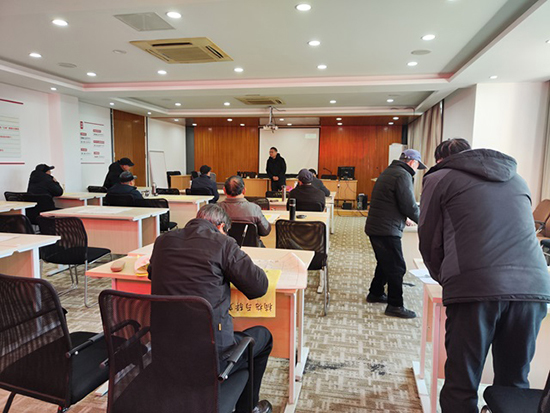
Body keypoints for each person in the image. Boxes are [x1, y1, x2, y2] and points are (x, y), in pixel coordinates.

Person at [418, 138, 550, 412]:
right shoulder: (518, 179)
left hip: (475, 287)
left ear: (441, 159)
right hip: (533, 287)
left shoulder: (439, 178)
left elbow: (429, 240)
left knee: (461, 382)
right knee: (514, 386)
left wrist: (448, 280)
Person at [148, 204, 273, 413]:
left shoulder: (162, 241)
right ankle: (248, 408)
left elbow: (152, 273)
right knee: (264, 336)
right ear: (221, 226)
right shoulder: (223, 243)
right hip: (212, 357)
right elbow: (259, 286)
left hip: (165, 353)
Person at [364, 149, 426, 318]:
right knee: (397, 267)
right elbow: (409, 205)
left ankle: (376, 293)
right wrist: (425, 222)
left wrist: (404, 218)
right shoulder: (403, 175)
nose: (416, 170)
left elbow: (390, 201)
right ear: (412, 162)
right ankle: (395, 305)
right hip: (386, 229)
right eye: (417, 166)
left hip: (378, 225)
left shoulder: (390, 171)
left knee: (385, 262)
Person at [219, 175, 271, 247]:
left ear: (224, 190)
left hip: (225, 250)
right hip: (250, 250)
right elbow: (265, 231)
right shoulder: (254, 208)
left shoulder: (216, 209)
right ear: (244, 190)